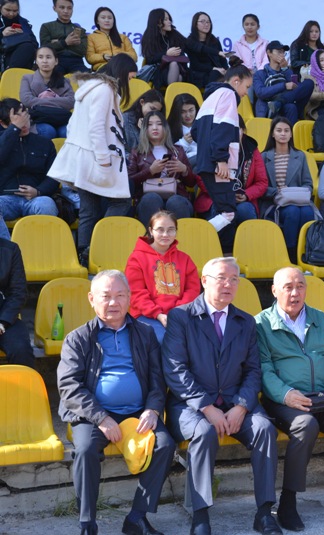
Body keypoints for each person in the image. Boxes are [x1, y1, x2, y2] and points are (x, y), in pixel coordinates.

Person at [162, 257, 281, 535]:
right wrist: (206, 407)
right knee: (204, 432)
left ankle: (265, 513)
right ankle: (201, 516)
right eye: (221, 279)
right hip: (190, 406)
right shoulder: (181, 317)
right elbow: (175, 369)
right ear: (204, 281)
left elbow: (253, 370)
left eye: (234, 280)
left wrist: (242, 405)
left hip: (235, 402)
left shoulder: (245, 321)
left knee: (264, 428)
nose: (228, 285)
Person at [57, 270, 175, 535]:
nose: (113, 302)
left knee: (165, 445)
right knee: (85, 450)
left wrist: (153, 409)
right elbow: (69, 386)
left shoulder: (145, 333)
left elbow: (158, 380)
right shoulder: (78, 338)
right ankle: (87, 523)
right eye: (106, 296)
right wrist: (101, 417)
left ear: (129, 298)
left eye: (120, 295)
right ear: (92, 299)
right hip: (93, 414)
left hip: (138, 412)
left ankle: (137, 517)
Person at [256, 267, 324, 530]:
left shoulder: (320, 318)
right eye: (288, 287)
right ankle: (288, 501)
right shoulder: (261, 323)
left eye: (300, 286)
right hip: (284, 400)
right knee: (305, 426)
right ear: (274, 291)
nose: (295, 293)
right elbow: (263, 368)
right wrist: (286, 394)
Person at [47, 54, 138, 266]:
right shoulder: (105, 89)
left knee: (89, 209)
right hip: (98, 158)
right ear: (122, 72)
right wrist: (103, 158)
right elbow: (96, 126)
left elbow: (72, 125)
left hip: (84, 158)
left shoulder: (90, 88)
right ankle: (99, 244)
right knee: (121, 201)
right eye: (130, 77)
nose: (130, 82)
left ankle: (84, 254)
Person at [192, 65, 253, 239]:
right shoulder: (228, 95)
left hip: (206, 163)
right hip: (218, 166)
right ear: (236, 81)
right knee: (228, 213)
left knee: (222, 210)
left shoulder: (211, 97)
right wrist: (221, 160)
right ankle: (196, 238)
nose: (247, 93)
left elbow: (195, 131)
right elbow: (223, 128)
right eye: (247, 87)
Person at [125, 210, 200, 343]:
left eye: (171, 230)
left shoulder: (185, 259)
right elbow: (136, 293)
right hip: (147, 315)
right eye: (160, 229)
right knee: (165, 340)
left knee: (200, 338)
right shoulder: (136, 258)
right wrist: (158, 314)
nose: (165, 234)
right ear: (151, 231)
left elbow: (192, 289)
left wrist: (177, 312)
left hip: (180, 314)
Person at [126, 110, 197, 226]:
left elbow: (191, 183)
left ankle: (181, 237)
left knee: (176, 201)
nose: (155, 128)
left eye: (159, 124)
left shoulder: (178, 150)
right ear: (145, 129)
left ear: (165, 128)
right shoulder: (137, 152)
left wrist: (184, 169)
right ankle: (150, 236)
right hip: (147, 197)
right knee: (151, 198)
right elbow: (130, 182)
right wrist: (150, 171)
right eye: (150, 124)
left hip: (177, 195)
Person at [261, 116, 315, 260]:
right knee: (292, 212)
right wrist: (277, 191)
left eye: (286, 130)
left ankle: (307, 251)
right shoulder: (264, 156)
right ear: (273, 134)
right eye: (279, 130)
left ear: (291, 134)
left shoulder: (300, 156)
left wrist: (294, 192)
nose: (283, 134)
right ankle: (290, 254)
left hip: (299, 201)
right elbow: (261, 186)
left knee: (308, 212)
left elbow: (308, 184)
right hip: (275, 203)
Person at [0, 99, 58, 220]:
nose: (24, 125)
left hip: (36, 197)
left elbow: (54, 176)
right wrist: (14, 129)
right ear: (3, 124)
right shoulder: (3, 141)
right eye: (17, 121)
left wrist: (38, 191)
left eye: (25, 118)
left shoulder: (45, 143)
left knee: (46, 205)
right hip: (4, 198)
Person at [19, 45, 74, 140]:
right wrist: (57, 100)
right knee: (48, 130)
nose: (44, 61)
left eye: (48, 57)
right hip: (37, 120)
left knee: (66, 131)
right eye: (40, 57)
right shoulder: (27, 78)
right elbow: (26, 100)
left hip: (60, 118)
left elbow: (71, 101)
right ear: (36, 61)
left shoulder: (65, 81)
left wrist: (40, 100)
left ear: (56, 61)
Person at [253, 40, 314, 124]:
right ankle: (278, 102)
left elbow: (297, 89)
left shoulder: (286, 71)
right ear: (269, 53)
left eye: (283, 52)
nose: (282, 55)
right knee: (291, 107)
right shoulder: (260, 74)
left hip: (287, 106)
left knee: (309, 83)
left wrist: (285, 69)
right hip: (270, 109)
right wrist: (284, 86)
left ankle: (279, 101)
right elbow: (260, 92)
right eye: (279, 52)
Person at [0, 237, 34, 367]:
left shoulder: (10, 249)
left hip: (4, 317)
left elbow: (18, 292)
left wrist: (3, 322)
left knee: (21, 349)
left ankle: (25, 381)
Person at [140, 8, 186, 89]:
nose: (169, 22)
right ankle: (172, 92)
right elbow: (150, 59)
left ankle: (171, 92)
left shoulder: (173, 33)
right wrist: (166, 54)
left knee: (179, 75)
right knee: (174, 66)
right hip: (158, 70)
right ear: (158, 22)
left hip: (179, 68)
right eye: (166, 19)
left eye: (169, 19)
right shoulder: (149, 37)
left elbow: (187, 45)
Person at [39, 0, 87, 73]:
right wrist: (65, 42)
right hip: (55, 60)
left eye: (69, 8)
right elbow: (45, 48)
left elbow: (83, 51)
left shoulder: (81, 30)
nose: (66, 11)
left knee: (88, 78)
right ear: (54, 8)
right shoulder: (47, 27)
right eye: (62, 7)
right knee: (52, 77)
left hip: (76, 62)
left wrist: (57, 42)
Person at [185, 12, 228, 90]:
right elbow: (195, 65)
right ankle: (208, 95)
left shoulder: (214, 40)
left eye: (208, 22)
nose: (206, 24)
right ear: (195, 24)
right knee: (215, 74)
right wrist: (214, 68)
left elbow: (222, 60)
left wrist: (226, 70)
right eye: (202, 21)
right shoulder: (191, 41)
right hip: (199, 75)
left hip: (218, 72)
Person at [85, 6, 136, 72]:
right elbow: (90, 57)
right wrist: (103, 57)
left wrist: (121, 55)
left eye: (110, 18)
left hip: (123, 67)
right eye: (103, 18)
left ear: (113, 20)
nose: (107, 20)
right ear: (97, 21)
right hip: (103, 68)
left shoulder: (123, 37)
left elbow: (134, 56)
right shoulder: (91, 37)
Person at [0, 0, 37, 70]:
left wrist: (22, 35)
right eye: (8, 10)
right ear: (0, 7)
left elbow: (34, 43)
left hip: (20, 57)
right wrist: (2, 34)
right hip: (3, 55)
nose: (11, 14)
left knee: (28, 46)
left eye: (15, 11)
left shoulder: (23, 23)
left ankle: (10, 71)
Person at [167, 93, 198, 165]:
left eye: (191, 110)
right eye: (183, 112)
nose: (188, 115)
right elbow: (168, 154)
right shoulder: (169, 128)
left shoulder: (204, 125)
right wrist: (184, 142)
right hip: (183, 162)